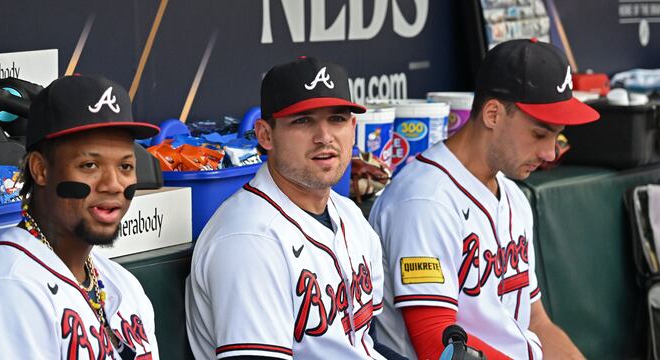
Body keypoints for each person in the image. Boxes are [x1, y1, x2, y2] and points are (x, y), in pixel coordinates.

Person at [369, 39, 597, 359]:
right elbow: (439, 345)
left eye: (556, 136)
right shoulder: (424, 202)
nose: (549, 153)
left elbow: (536, 322)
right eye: (539, 134)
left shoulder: (513, 198)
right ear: (493, 113)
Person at [186, 57, 392, 359]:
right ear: (265, 135)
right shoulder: (248, 241)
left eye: (336, 119)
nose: (324, 137)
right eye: (303, 120)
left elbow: (363, 344)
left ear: (352, 127)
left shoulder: (349, 216)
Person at [0, 74, 162, 359]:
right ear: (41, 169)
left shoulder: (121, 283)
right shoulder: (8, 290)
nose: (113, 184)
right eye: (90, 164)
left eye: (125, 166)